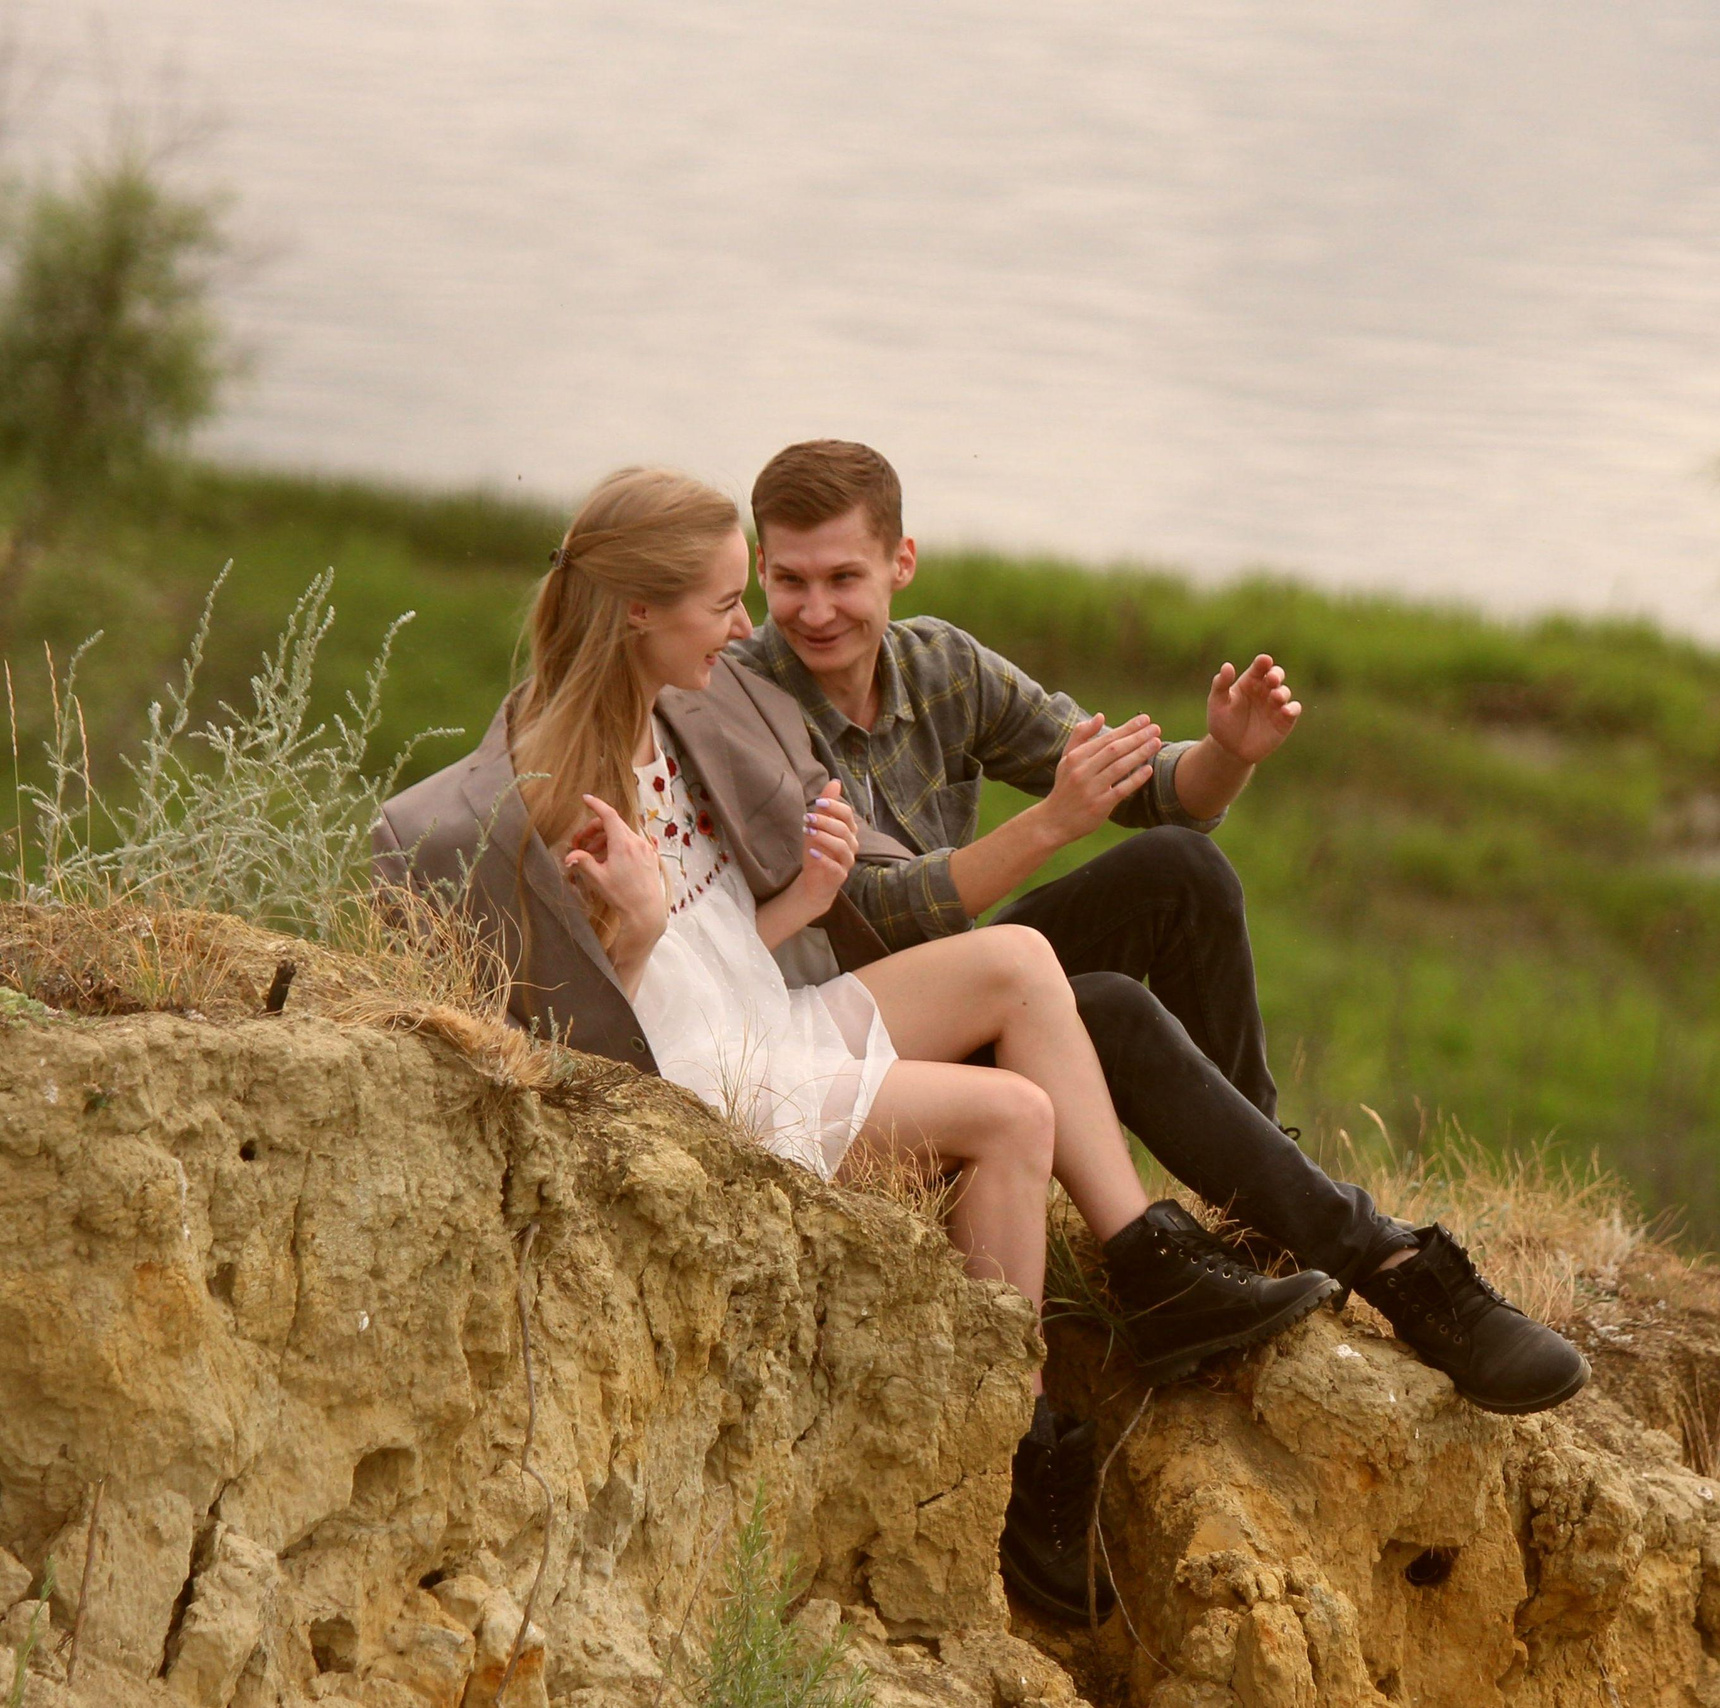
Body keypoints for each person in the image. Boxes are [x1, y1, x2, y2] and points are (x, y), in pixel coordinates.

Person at [371, 468, 1336, 1622]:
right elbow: (587, 1028)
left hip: (763, 1016)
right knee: (1013, 1115)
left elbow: (714, 941)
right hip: (710, 1083)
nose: (749, 629)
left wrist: (796, 901)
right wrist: (627, 933)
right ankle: (1014, 1434)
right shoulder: (548, 790)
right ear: (638, 611)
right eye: (733, 600)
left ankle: (1149, 1262)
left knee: (1022, 966)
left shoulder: (674, 717)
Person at [728, 440, 1588, 1420]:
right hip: (856, 1040)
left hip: (968, 986)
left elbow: (1140, 787)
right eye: (788, 580)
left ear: (901, 561)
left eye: (844, 576)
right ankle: (1391, 1265)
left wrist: (1225, 755)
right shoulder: (746, 705)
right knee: (1100, 1009)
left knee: (1181, 869)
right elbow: (876, 910)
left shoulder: (938, 662)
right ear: (760, 568)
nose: (815, 609)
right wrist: (1048, 823)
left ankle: (1261, 1212)